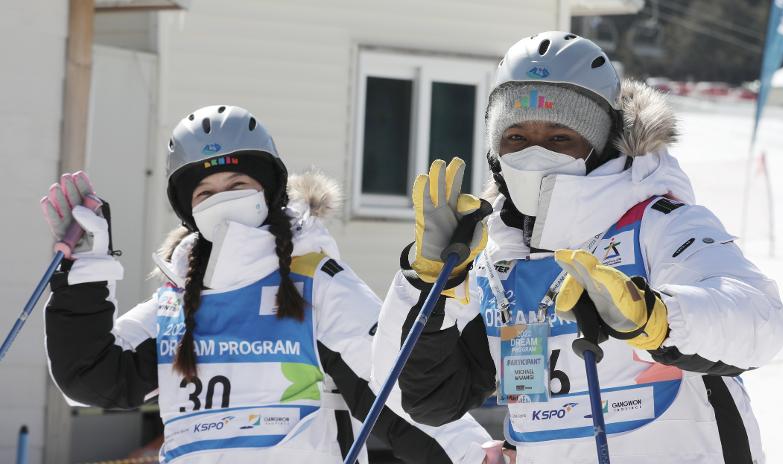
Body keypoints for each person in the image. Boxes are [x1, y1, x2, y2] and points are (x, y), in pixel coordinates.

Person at [372, 32, 783, 463]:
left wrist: (658, 319)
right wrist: (430, 286)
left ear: (601, 141)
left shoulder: (658, 222)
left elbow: (761, 322)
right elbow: (419, 396)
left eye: (558, 138)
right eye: (516, 138)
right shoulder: (496, 256)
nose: (535, 155)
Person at [41, 105, 491, 463]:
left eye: (238, 182)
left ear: (269, 191)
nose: (224, 199)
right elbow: (92, 377)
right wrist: (85, 270)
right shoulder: (176, 300)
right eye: (206, 193)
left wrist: (474, 454)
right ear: (188, 211)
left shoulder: (315, 281)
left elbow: (393, 386)